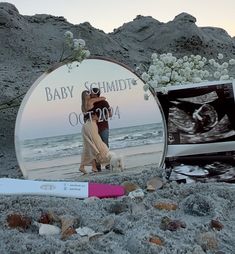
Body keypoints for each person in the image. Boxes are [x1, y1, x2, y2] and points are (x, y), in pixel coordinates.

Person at [79, 90, 110, 174]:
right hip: (91, 125)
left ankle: (90, 167)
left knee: (90, 146)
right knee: (100, 145)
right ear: (86, 96)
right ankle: (106, 162)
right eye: (88, 93)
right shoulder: (90, 101)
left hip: (86, 126)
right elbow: (103, 97)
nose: (90, 94)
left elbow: (85, 116)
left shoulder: (83, 105)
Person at [90, 88, 112, 170]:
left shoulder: (104, 103)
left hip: (104, 127)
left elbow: (109, 114)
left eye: (91, 93)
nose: (90, 94)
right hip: (93, 129)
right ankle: (98, 166)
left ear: (96, 94)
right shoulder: (90, 104)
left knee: (105, 145)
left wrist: (98, 118)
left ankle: (108, 164)